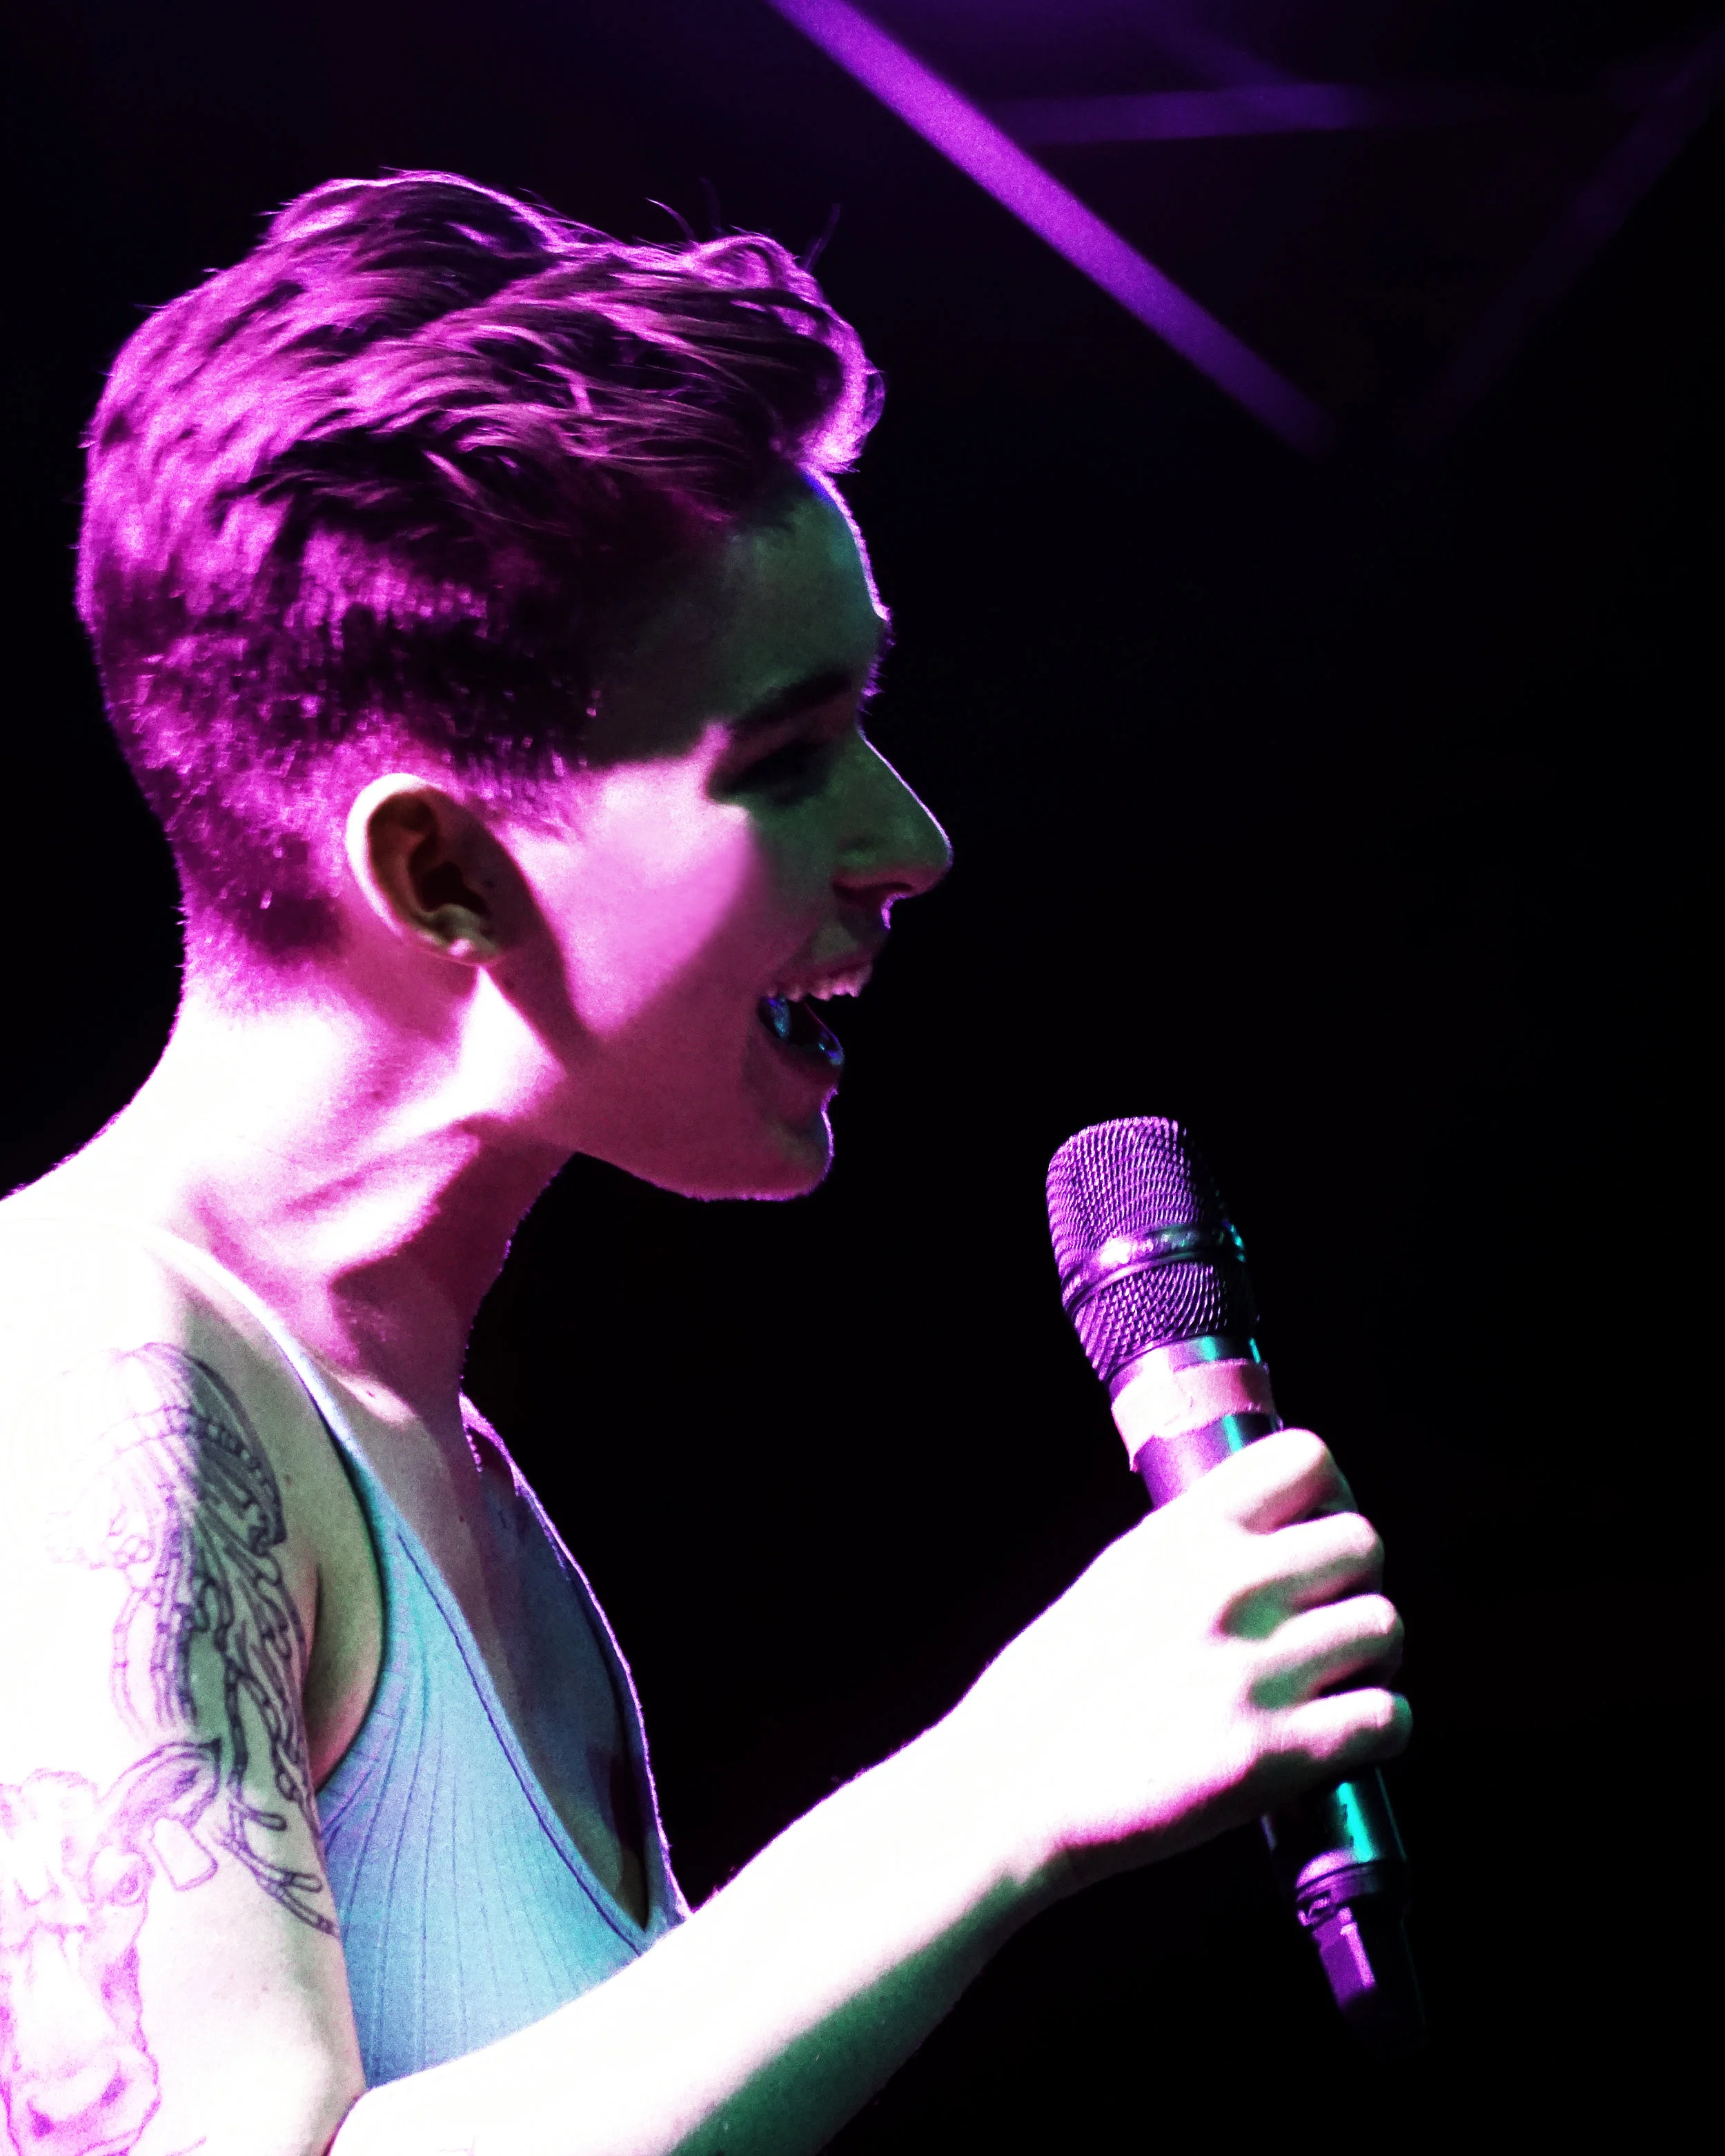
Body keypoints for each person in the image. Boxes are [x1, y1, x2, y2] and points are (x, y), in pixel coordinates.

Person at [0, 172, 1408, 2156]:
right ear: (441, 868)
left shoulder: (446, 1477)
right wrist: (997, 1790)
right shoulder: (85, 1378)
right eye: (787, 755)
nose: (910, 842)